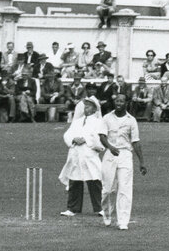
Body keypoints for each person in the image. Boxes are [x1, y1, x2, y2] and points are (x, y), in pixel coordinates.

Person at [99, 94, 147, 230]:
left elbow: (136, 141)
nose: (118, 103)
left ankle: (123, 221)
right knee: (108, 189)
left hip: (125, 154)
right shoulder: (107, 118)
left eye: (121, 101)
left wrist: (141, 162)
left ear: (126, 103)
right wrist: (110, 147)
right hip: (110, 154)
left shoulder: (131, 120)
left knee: (125, 188)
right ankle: (107, 214)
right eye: (117, 101)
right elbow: (102, 136)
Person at [58, 98, 105, 217]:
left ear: (94, 109)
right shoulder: (77, 121)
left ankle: (100, 208)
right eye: (85, 106)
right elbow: (68, 134)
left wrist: (86, 140)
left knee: (94, 180)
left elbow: (100, 138)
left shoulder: (98, 122)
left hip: (89, 154)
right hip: (76, 153)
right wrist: (74, 139)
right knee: (74, 180)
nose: (86, 109)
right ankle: (73, 208)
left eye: (88, 107)